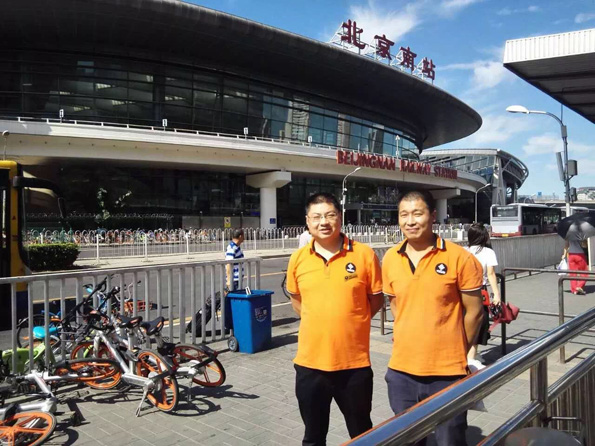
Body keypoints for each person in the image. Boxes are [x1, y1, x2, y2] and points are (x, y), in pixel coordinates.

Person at [382, 190, 484, 446]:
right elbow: (396, 305)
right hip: (401, 372)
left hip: (447, 372)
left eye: (417, 213)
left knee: (450, 439)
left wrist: (459, 350)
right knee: (408, 439)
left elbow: (474, 312)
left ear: (433, 215)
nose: (410, 221)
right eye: (404, 215)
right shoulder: (391, 258)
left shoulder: (460, 258)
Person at [286, 192, 383, 446]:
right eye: (317, 217)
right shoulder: (298, 258)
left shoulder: (364, 254)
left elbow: (375, 300)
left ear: (340, 217)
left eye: (330, 215)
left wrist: (352, 320)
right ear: (307, 221)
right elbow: (297, 301)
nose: (324, 222)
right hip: (310, 365)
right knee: (313, 437)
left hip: (354, 365)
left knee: (362, 434)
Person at [465, 223, 501, 364]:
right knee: (478, 323)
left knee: (464, 323)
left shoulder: (463, 251)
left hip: (462, 292)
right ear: (484, 237)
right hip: (479, 291)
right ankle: (471, 359)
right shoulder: (488, 252)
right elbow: (491, 274)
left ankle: (468, 356)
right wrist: (496, 295)